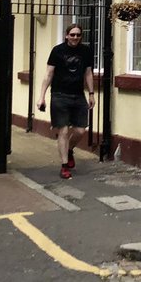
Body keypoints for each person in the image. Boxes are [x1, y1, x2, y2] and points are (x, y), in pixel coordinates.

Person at [37, 24, 95, 179]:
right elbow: (48, 74)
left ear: (81, 36)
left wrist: (91, 93)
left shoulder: (86, 51)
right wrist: (41, 96)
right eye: (72, 35)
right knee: (63, 131)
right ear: (66, 35)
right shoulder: (57, 51)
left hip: (78, 95)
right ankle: (64, 166)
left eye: (78, 35)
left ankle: (69, 150)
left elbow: (88, 73)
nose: (75, 37)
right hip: (59, 95)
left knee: (80, 130)